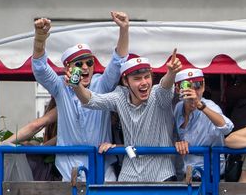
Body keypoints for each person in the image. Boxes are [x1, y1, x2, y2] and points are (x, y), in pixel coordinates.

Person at [30, 12, 130, 184]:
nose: (85, 67)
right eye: (79, 64)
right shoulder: (60, 85)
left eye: (89, 63)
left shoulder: (102, 84)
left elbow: (119, 61)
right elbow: (39, 67)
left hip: (102, 167)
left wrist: (124, 29)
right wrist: (40, 39)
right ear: (67, 67)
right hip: (70, 171)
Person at [69, 51, 188, 182]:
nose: (144, 82)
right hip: (128, 176)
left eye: (147, 77)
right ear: (125, 81)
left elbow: (165, 86)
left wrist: (171, 73)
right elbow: (91, 100)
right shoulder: (120, 96)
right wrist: (76, 86)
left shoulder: (157, 95)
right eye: (137, 79)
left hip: (161, 176)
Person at [175, 67, 234, 180]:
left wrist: (199, 105)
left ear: (203, 87)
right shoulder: (178, 107)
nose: (193, 91)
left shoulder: (210, 106)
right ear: (178, 89)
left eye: (197, 85)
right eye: (187, 86)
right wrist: (178, 143)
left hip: (211, 177)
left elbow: (228, 127)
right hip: (186, 176)